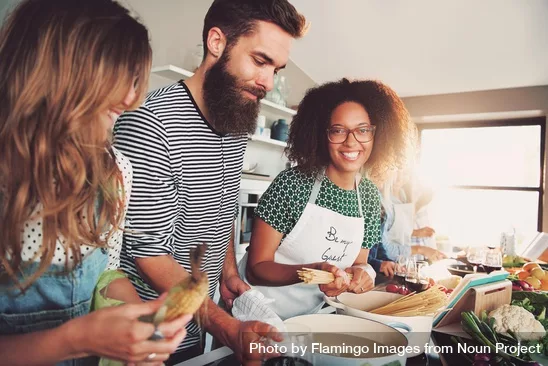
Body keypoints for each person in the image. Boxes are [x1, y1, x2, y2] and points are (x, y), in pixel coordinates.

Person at [112, 0, 307, 364]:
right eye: (260, 61)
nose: (268, 81)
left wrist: (228, 270)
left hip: (200, 319)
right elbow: (149, 255)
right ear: (217, 42)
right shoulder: (152, 124)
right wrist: (226, 326)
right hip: (149, 332)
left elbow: (222, 205)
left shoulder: (233, 117)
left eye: (276, 69)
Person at [0, 1, 192, 365]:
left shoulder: (115, 170)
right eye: (119, 77)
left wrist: (142, 321)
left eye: (135, 81)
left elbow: (107, 272)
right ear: (59, 66)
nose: (131, 100)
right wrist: (74, 340)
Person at [239, 78, 415, 320]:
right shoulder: (292, 184)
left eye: (363, 130)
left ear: (378, 135)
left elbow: (359, 262)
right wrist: (311, 272)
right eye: (338, 130)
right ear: (323, 135)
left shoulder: (370, 197)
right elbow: (257, 268)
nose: (351, 141)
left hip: (315, 317)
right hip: (258, 312)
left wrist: (364, 273)